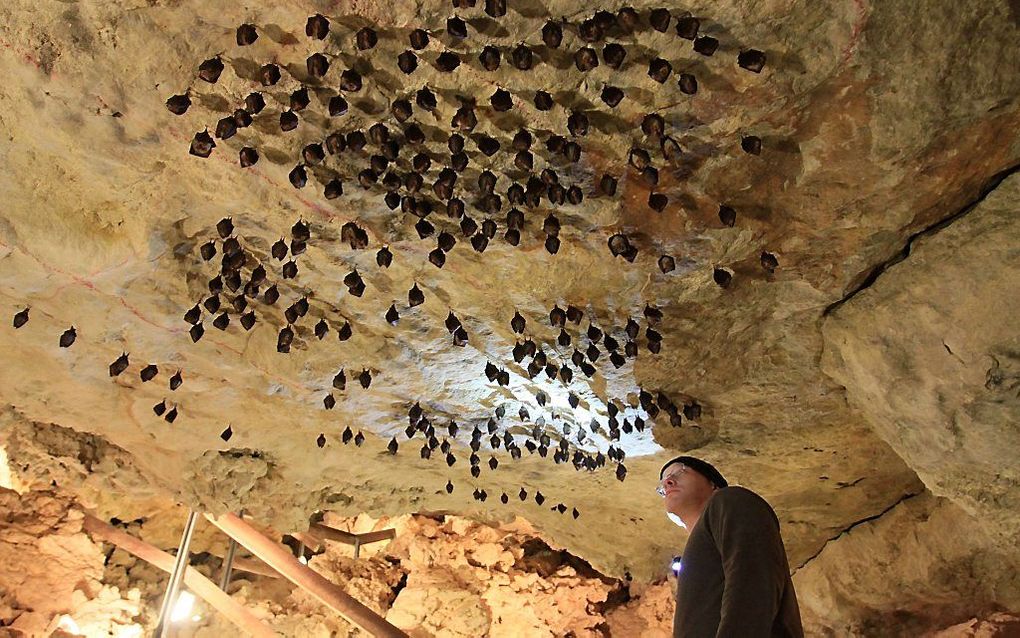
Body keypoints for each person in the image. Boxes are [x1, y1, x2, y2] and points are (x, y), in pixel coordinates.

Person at [658, 455, 804, 637]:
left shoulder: (729, 500)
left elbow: (753, 579)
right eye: (662, 485)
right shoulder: (696, 551)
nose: (668, 483)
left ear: (713, 483)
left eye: (679, 472)